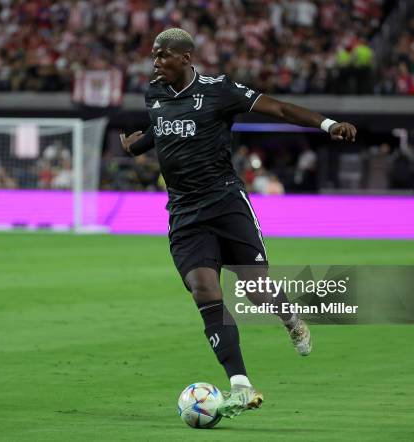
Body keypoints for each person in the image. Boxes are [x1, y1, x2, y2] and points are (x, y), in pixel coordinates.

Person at [119, 28, 357, 419]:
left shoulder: (219, 90)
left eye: (164, 55)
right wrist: (135, 146)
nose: (156, 62)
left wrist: (327, 124)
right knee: (203, 290)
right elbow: (162, 130)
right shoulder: (154, 93)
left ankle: (290, 318)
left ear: (187, 57)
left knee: (257, 288)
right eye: (153, 56)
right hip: (184, 212)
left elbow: (278, 108)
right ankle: (241, 386)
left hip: (226, 204)